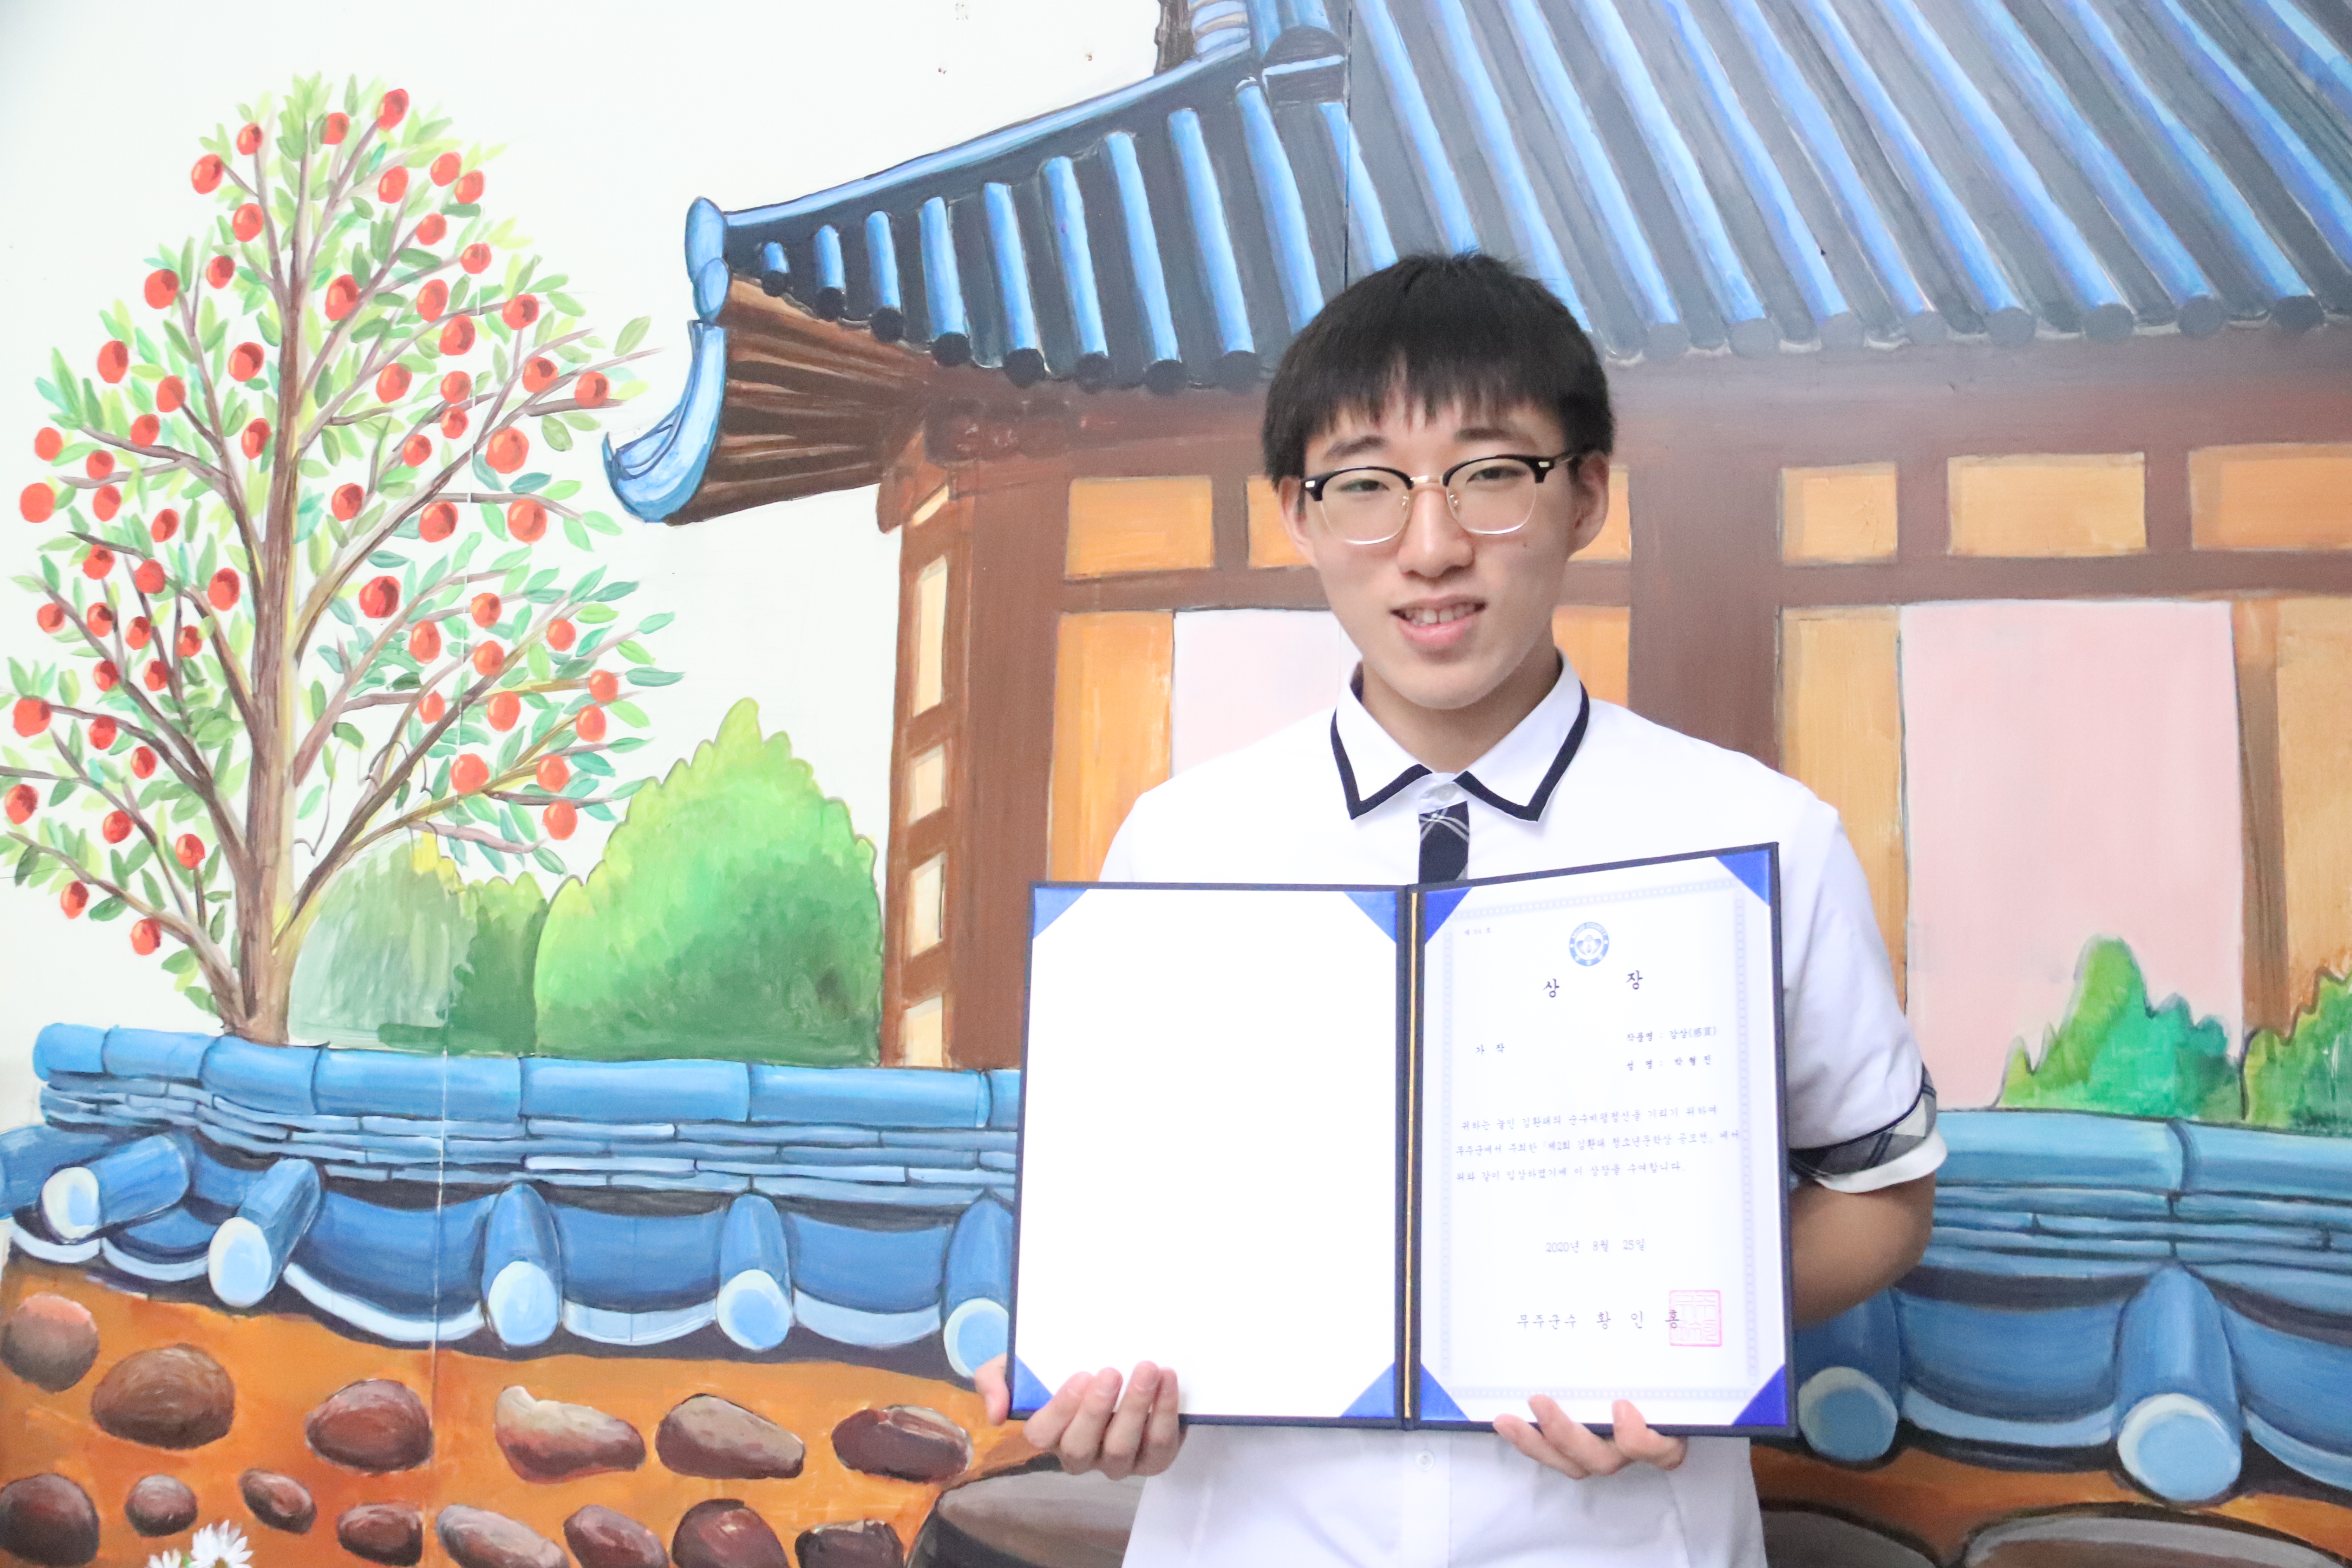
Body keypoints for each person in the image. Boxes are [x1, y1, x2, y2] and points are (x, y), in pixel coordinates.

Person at [977, 252, 1942, 1567]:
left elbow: (1882, 1194)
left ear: (1586, 492)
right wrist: (1097, 1379)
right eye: (1366, 484)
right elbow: (1134, 1220)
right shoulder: (1184, 840)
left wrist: (1683, 1342)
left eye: (1490, 474)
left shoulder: (1762, 835)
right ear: (1299, 513)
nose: (1430, 547)